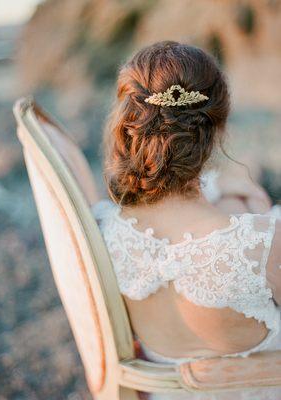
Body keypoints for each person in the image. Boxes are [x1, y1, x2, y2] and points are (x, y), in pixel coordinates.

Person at [88, 41, 281, 399]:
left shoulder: (103, 228)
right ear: (217, 128)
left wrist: (228, 192)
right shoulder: (262, 243)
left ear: (131, 124)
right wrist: (261, 214)